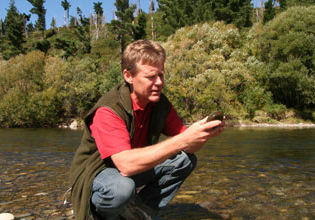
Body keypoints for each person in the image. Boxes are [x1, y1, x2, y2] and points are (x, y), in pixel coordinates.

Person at [69, 40, 225, 220]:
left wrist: (202, 133)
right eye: (151, 77)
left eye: (161, 75)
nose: (159, 82)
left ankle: (141, 211)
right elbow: (126, 165)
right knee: (121, 189)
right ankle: (102, 215)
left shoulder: (159, 103)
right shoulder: (108, 110)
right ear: (128, 76)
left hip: (129, 168)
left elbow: (188, 147)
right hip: (98, 173)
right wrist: (184, 140)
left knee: (185, 160)